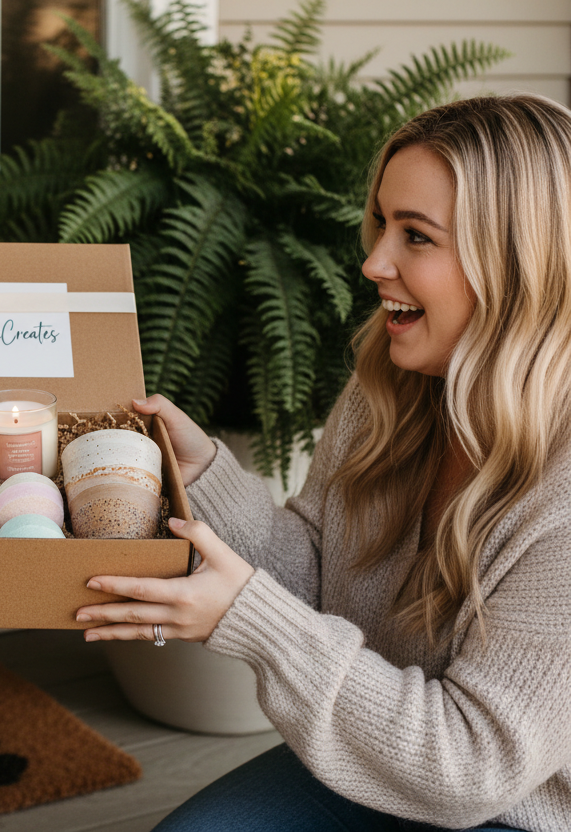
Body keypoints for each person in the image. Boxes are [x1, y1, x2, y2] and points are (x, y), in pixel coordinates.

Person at [77, 94, 571, 832]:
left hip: (509, 812)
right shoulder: (394, 393)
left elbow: (470, 767)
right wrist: (203, 472)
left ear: (516, 264)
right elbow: (317, 574)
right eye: (381, 224)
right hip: (381, 757)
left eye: (417, 236)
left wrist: (251, 619)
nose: (374, 262)